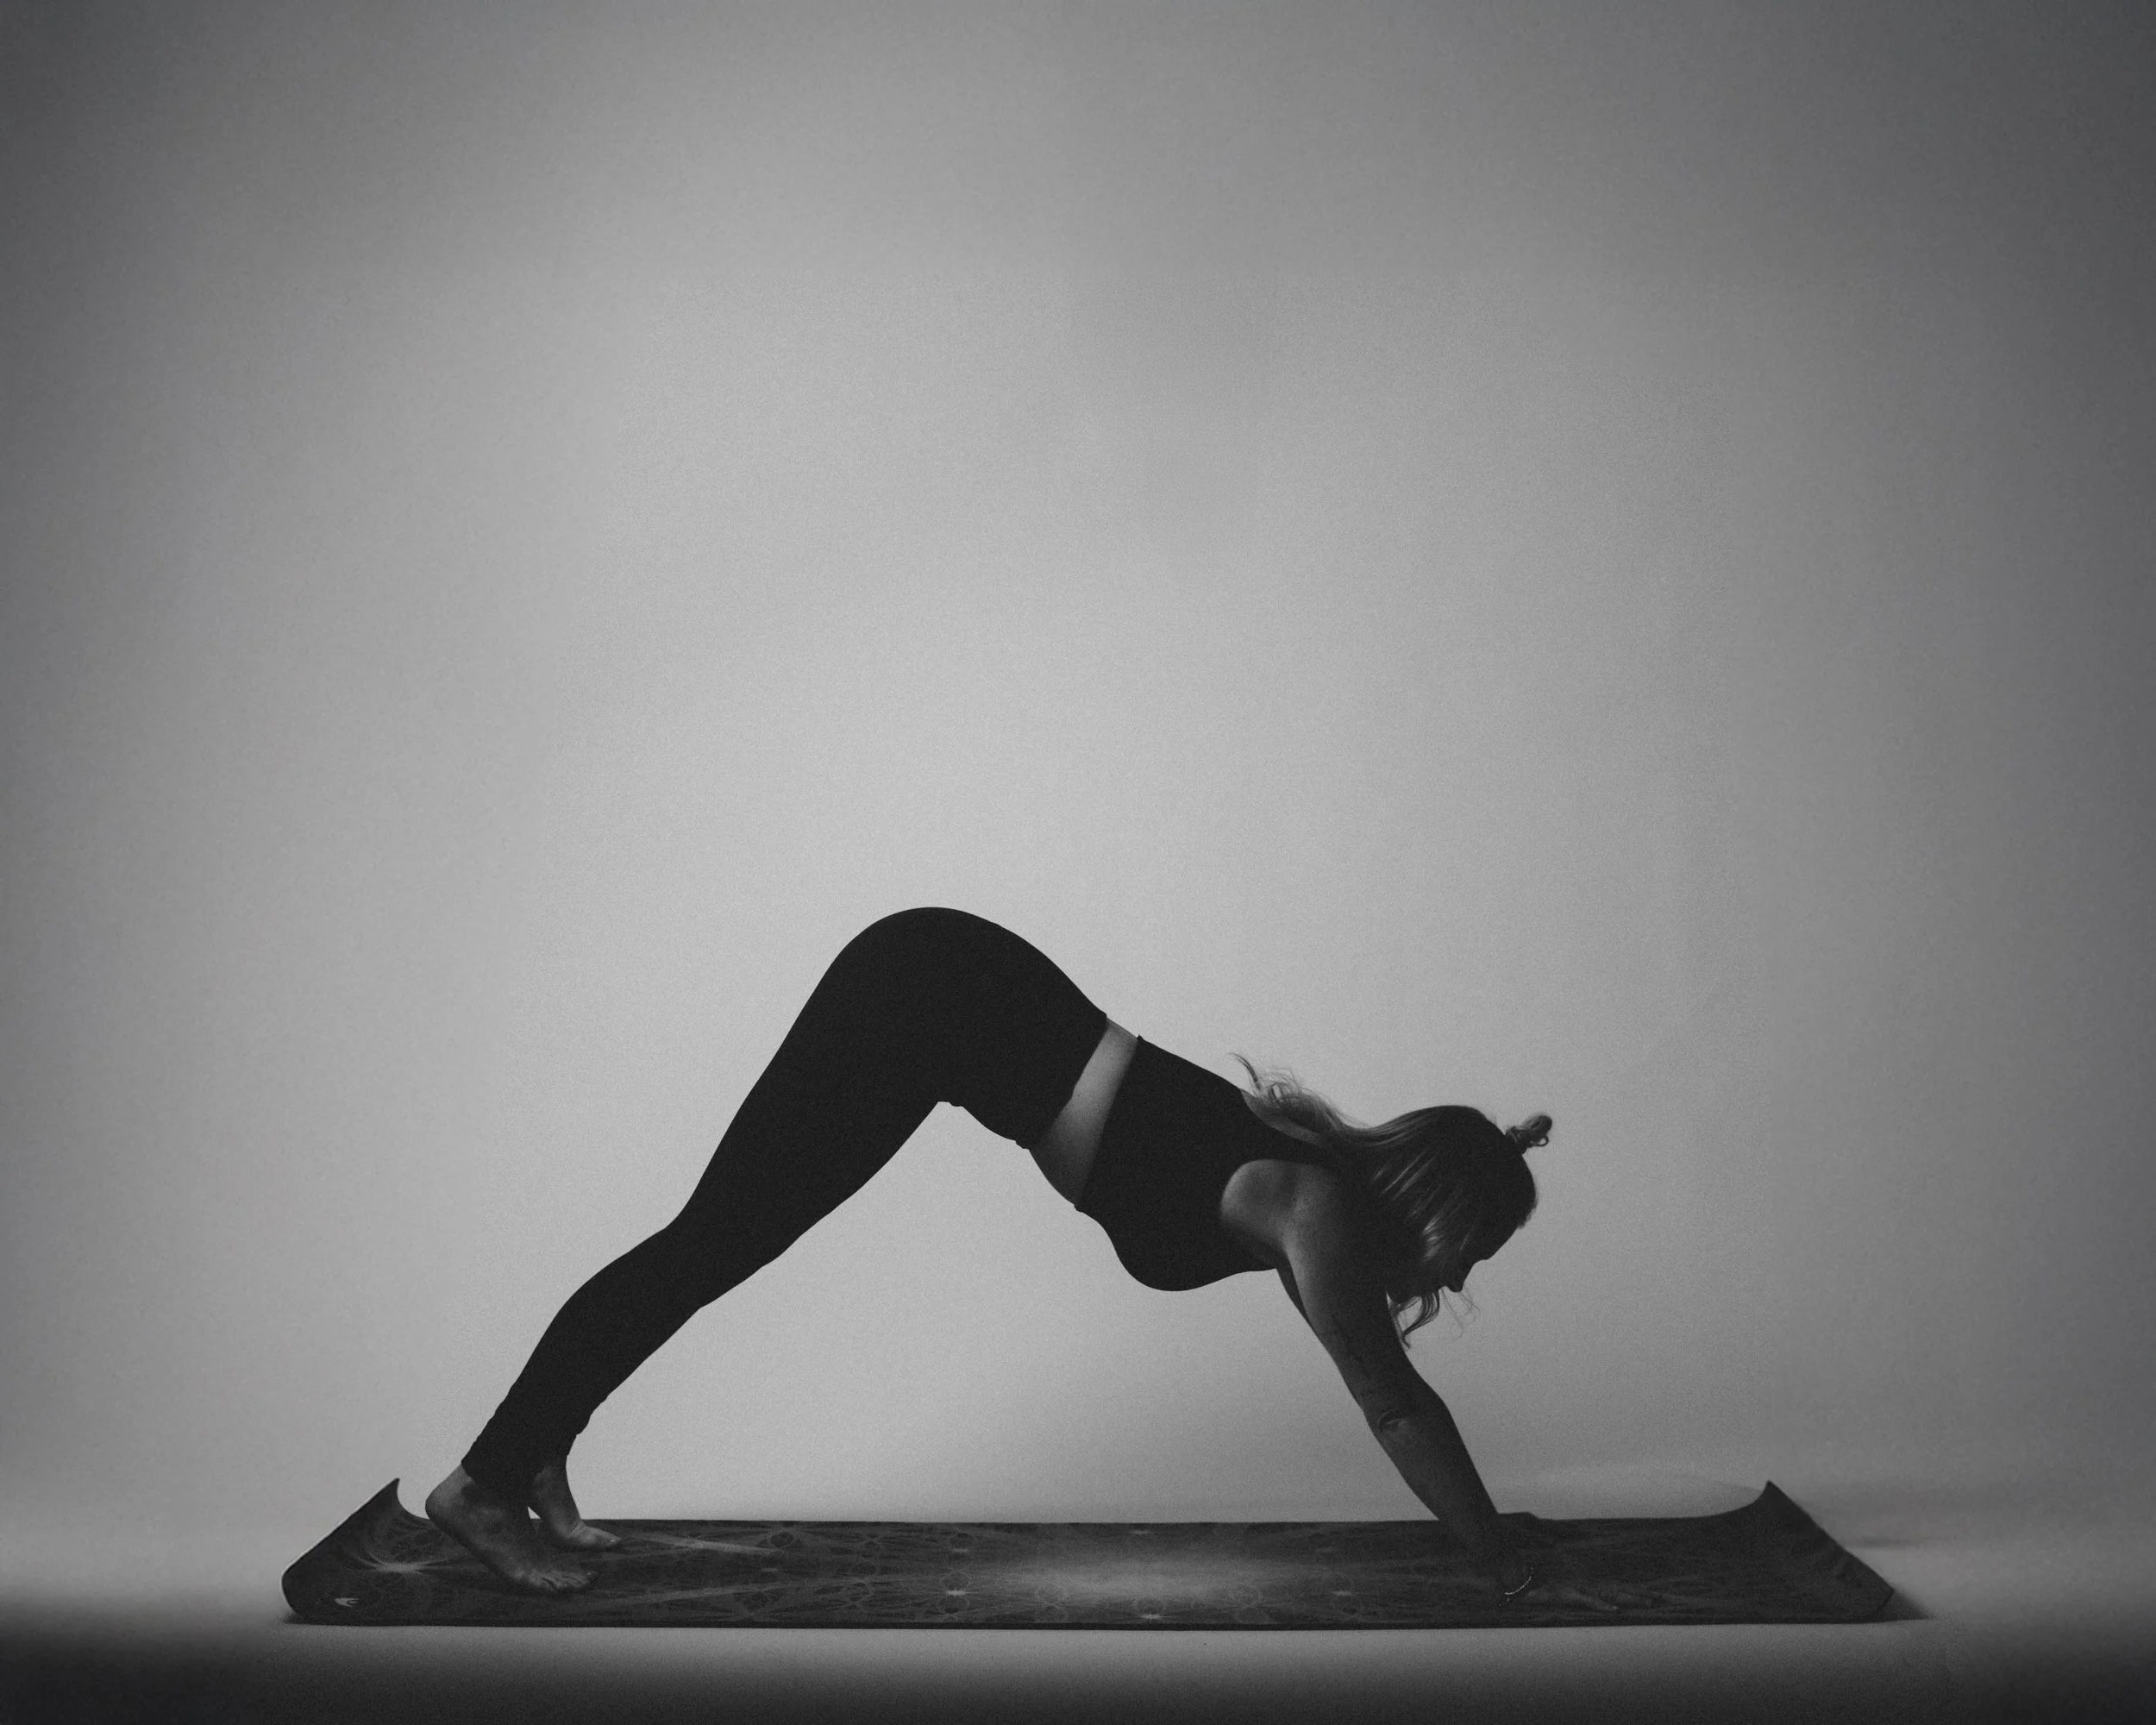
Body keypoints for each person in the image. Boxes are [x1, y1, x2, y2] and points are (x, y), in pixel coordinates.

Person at [426, 907, 1566, 1603]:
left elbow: (1383, 1381)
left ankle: (534, 1459)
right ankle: (483, 1483)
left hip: (942, 996)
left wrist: (1482, 1526)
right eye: (1468, 1251)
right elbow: (1394, 1403)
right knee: (711, 1244)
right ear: (1431, 1213)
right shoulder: (1309, 1205)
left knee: (708, 1244)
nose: (1458, 1278)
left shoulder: (1306, 1197)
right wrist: (1492, 1553)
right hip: (928, 994)